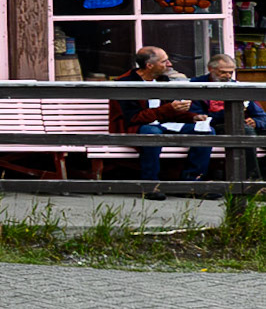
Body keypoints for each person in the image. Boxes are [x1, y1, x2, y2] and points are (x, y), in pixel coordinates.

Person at [113, 45, 214, 199]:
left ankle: (191, 183)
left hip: (164, 125)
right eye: (164, 61)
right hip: (138, 127)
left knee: (205, 131)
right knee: (152, 133)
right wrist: (169, 109)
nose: (170, 64)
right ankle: (150, 185)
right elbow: (133, 118)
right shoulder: (124, 83)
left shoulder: (162, 80)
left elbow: (169, 113)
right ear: (149, 65)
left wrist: (191, 116)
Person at [189, 53, 266, 180]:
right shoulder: (196, 85)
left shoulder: (237, 86)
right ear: (210, 69)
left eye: (231, 72)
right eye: (223, 72)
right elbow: (198, 116)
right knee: (244, 131)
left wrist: (256, 122)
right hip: (214, 125)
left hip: (242, 125)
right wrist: (227, 114)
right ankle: (252, 181)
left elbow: (262, 116)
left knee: (247, 128)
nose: (228, 76)